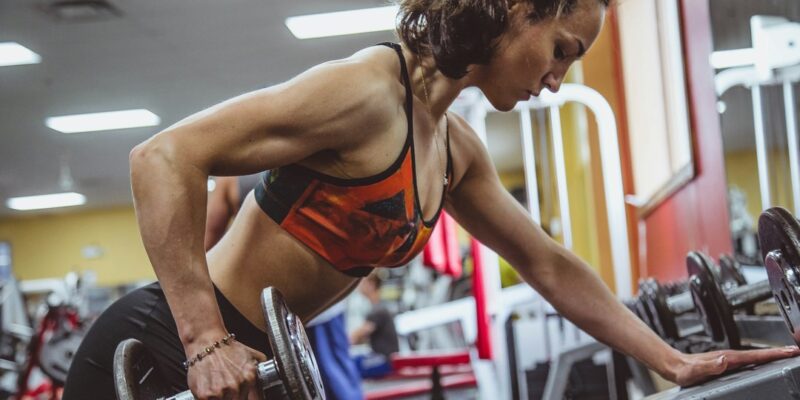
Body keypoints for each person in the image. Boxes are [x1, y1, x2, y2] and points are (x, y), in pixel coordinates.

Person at [63, 0, 800, 398]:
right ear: (517, 9)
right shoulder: (364, 93)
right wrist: (203, 340)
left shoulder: (452, 150)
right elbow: (161, 158)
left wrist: (672, 361)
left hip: (253, 366)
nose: (559, 77)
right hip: (164, 349)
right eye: (564, 50)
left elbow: (546, 262)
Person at [204, 175, 363, 399]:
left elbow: (206, 246)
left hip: (267, 309)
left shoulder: (230, 177)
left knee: (320, 383)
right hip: (295, 303)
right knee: (330, 382)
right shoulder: (300, 153)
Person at [350, 273, 400, 379]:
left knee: (352, 365)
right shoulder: (378, 307)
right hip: (383, 357)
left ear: (371, 285)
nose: (359, 286)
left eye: (362, 283)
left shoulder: (378, 310)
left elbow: (359, 335)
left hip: (385, 360)